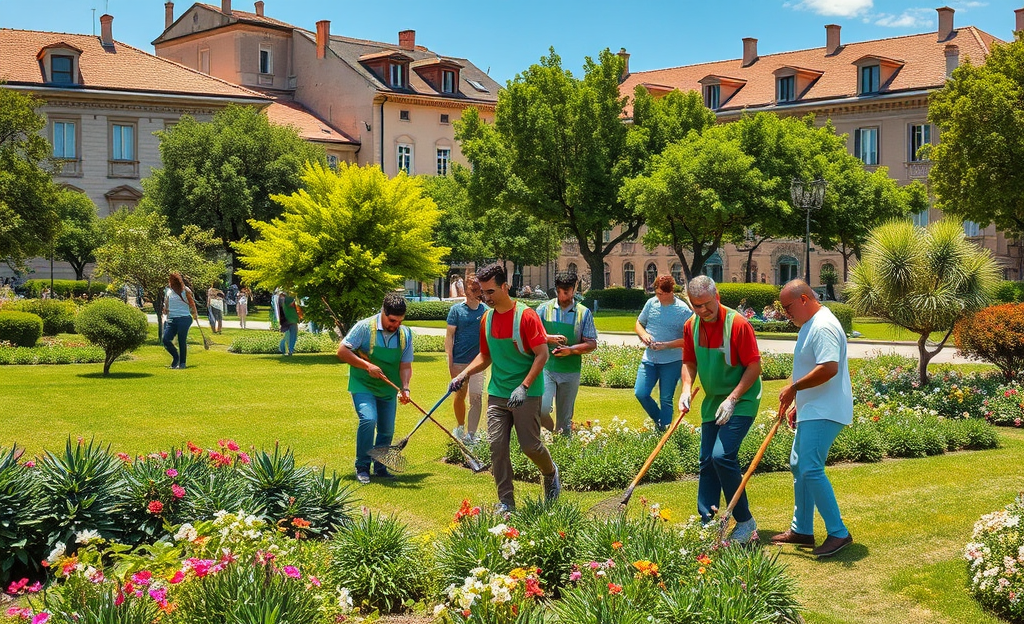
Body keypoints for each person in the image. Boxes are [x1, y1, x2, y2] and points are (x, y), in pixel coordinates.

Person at [449, 262, 560, 513]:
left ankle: (551, 473)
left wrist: (524, 386)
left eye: (490, 292)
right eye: (482, 293)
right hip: (498, 393)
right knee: (497, 447)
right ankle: (506, 502)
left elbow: (542, 355)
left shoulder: (526, 316)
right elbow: (485, 356)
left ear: (505, 287)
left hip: (526, 392)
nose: (485, 298)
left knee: (530, 446)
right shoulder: (486, 318)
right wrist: (464, 374)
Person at [773, 279, 854, 557]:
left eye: (788, 307)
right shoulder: (811, 324)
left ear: (805, 299)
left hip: (826, 410)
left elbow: (828, 367)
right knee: (799, 464)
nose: (786, 313)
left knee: (810, 467)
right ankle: (802, 530)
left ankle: (839, 533)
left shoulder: (822, 325)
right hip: (815, 408)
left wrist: (794, 389)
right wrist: (800, 403)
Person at [678, 276, 763, 542]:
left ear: (717, 297)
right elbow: (689, 363)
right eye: (696, 305)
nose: (702, 310)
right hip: (713, 400)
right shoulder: (690, 326)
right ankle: (707, 521)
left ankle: (746, 522)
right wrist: (685, 389)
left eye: (706, 304)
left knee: (722, 457)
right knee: (706, 461)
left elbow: (754, 367)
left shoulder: (738, 324)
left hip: (742, 399)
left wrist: (733, 399)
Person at [336, 293, 414, 484]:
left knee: (387, 429)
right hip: (363, 384)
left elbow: (405, 365)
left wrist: (405, 388)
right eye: (392, 320)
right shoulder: (364, 327)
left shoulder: (405, 334)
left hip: (388, 388)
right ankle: (362, 466)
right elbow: (342, 351)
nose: (395, 325)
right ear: (383, 312)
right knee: (369, 419)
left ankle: (380, 467)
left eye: (399, 321)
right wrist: (367, 366)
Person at [536, 271, 598, 435]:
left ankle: (561, 445)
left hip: (571, 371)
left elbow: (592, 344)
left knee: (565, 421)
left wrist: (569, 350)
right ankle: (550, 432)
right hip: (546, 367)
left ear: (574, 288)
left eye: (568, 291)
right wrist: (548, 338)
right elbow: (530, 334)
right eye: (561, 291)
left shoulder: (583, 313)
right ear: (556, 289)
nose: (564, 296)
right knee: (541, 409)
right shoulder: (544, 309)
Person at [634, 275, 693, 430]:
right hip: (649, 359)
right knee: (641, 392)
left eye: (662, 294)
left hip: (672, 361)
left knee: (666, 398)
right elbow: (639, 324)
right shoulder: (651, 303)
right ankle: (662, 423)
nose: (658, 297)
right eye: (657, 293)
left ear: (671, 292)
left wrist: (666, 345)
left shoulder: (683, 310)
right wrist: (643, 335)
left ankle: (664, 430)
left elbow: (690, 340)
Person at [445, 275, 488, 442]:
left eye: (478, 289)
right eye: (473, 289)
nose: (476, 292)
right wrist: (450, 363)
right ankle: (460, 426)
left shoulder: (485, 311)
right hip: (460, 362)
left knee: (476, 398)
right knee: (460, 396)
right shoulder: (456, 310)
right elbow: (449, 337)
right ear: (466, 290)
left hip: (478, 362)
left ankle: (471, 434)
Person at [161, 272, 199, 369]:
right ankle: (176, 357)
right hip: (172, 319)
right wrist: (165, 310)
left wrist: (195, 314)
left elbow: (192, 303)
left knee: (182, 340)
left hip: (184, 318)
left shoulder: (185, 290)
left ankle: (182, 363)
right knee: (165, 339)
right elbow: (166, 305)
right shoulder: (168, 292)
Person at [278, 291, 303, 356]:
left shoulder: (281, 301)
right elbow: (296, 303)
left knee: (286, 336)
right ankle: (290, 350)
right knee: (293, 336)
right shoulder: (289, 299)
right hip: (292, 320)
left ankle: (283, 350)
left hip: (286, 320)